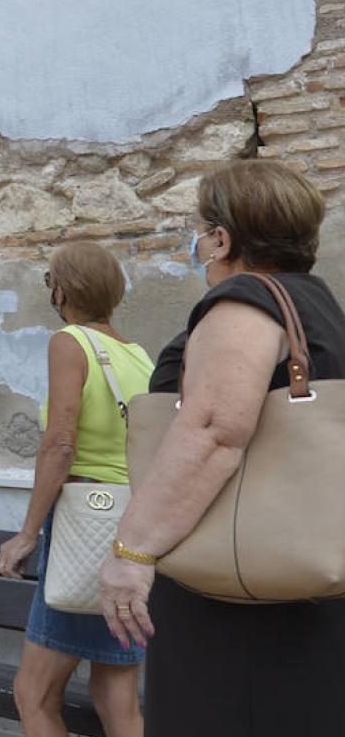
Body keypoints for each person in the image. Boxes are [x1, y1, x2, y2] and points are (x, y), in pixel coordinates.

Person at [99, 160, 345, 736]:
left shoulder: (242, 301)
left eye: (202, 228)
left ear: (223, 238)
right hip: (302, 588)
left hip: (235, 599)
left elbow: (212, 431)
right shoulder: (319, 309)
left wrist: (131, 554)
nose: (199, 241)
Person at [0, 242, 151, 737]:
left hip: (83, 529)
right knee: (115, 695)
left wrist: (26, 533)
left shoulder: (70, 342)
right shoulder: (138, 356)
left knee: (34, 694)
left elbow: (61, 442)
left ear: (62, 289)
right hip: (128, 531)